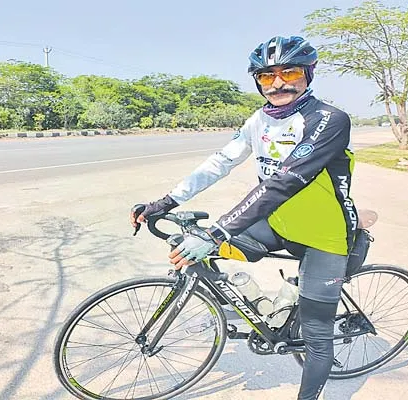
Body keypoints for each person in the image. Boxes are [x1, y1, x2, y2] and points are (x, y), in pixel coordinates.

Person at [131, 35, 357, 400]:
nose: (278, 83)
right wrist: (165, 202)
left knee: (316, 334)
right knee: (205, 250)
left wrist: (216, 232)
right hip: (277, 224)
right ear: (257, 81)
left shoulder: (329, 119)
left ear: (309, 74)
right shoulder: (260, 119)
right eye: (267, 76)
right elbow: (221, 162)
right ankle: (269, 308)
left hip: (324, 235)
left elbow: (282, 183)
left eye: (290, 72)